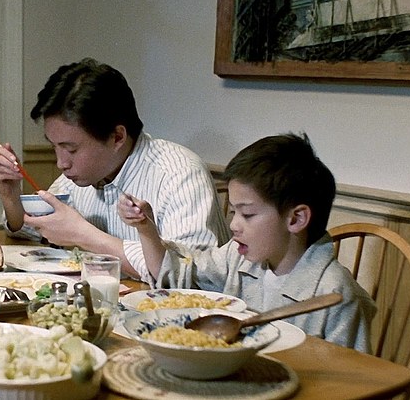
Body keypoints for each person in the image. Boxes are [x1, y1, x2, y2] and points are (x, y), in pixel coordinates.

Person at [121, 133, 376, 352]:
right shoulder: (237, 256)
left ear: (296, 218)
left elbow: (356, 376)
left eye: (248, 214)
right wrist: (146, 229)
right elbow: (178, 276)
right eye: (233, 212)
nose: (234, 225)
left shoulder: (336, 293)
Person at [0, 58, 229, 285]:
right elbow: (31, 230)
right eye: (54, 147)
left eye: (71, 149)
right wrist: (10, 196)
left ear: (117, 137)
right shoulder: (76, 178)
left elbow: (192, 275)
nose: (61, 163)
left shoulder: (179, 174)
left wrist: (84, 235)